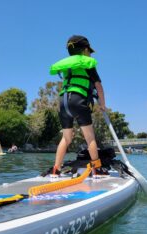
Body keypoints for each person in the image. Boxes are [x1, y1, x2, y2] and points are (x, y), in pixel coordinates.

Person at [46, 35, 107, 176]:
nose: (90, 54)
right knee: (90, 138)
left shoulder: (67, 66)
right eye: (89, 51)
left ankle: (56, 169)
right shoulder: (87, 64)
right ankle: (96, 169)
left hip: (63, 102)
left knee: (66, 138)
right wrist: (102, 104)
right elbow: (98, 86)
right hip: (78, 100)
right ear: (85, 50)